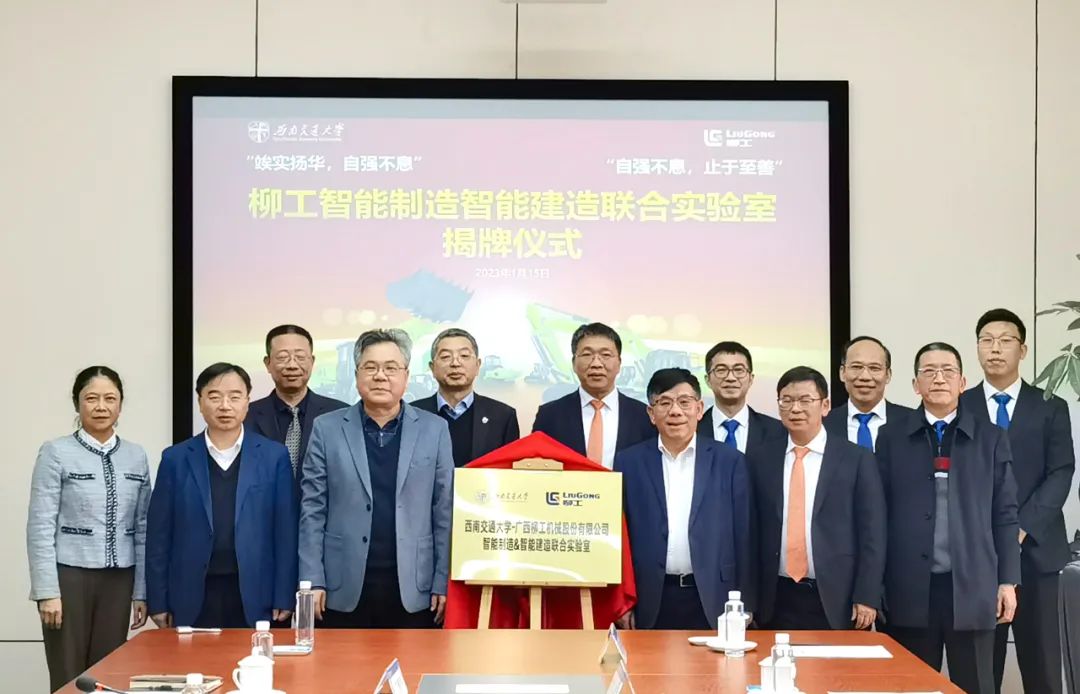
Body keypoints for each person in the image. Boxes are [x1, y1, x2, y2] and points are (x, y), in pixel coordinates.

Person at [877, 342, 1020, 694]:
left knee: (975, 685)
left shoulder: (990, 438)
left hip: (972, 587)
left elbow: (1005, 514)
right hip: (909, 589)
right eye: (929, 371)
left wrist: (1007, 581)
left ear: (963, 383)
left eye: (947, 371)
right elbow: (877, 515)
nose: (938, 378)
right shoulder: (891, 437)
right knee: (909, 687)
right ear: (915, 385)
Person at [299, 328, 453, 628]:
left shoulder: (434, 429)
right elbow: (312, 509)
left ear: (406, 376)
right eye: (370, 367)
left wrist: (442, 580)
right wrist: (312, 579)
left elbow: (444, 511)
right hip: (342, 583)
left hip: (415, 584)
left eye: (391, 368)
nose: (380, 376)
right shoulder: (326, 428)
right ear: (357, 374)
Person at [959, 309, 1074, 694]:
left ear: (1022, 350)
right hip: (977, 558)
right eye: (986, 340)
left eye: (1005, 340)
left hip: (1037, 555)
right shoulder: (960, 406)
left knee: (1042, 667)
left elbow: (1061, 472)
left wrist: (1021, 528)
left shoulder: (1050, 406)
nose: (995, 348)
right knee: (978, 671)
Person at [27, 366, 151, 692]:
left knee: (109, 674)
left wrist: (141, 591)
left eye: (110, 398)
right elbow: (40, 525)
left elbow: (142, 528)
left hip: (119, 579)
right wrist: (47, 591)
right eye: (91, 398)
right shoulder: (56, 451)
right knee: (68, 674)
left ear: (120, 405)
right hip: (69, 579)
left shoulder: (136, 456)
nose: (101, 406)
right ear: (77, 403)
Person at [146, 363, 298, 629]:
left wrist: (284, 593)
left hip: (256, 592)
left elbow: (285, 531)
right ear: (200, 402)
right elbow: (159, 535)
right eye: (214, 397)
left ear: (247, 402)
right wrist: (158, 600)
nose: (225, 406)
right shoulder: (175, 459)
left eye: (234, 396)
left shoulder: (274, 457)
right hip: (192, 592)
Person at [749, 366, 886, 632]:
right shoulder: (761, 458)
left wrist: (867, 595)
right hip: (775, 596)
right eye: (786, 400)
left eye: (805, 400)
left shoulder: (856, 459)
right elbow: (751, 532)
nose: (795, 409)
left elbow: (873, 533)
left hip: (836, 596)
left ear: (825, 406)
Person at [615, 368, 753, 629]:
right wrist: (622, 602)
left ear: (699, 409)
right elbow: (620, 536)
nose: (675, 411)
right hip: (650, 597)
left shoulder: (729, 461)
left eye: (684, 402)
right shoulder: (629, 462)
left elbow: (744, 536)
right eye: (664, 402)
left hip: (713, 597)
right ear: (651, 413)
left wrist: (745, 604)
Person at [532, 322, 654, 469]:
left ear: (619, 363)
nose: (596, 364)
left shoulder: (644, 416)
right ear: (574, 363)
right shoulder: (550, 415)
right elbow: (536, 468)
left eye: (606, 355)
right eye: (587, 354)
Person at [245, 324, 348, 483]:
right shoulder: (245, 416)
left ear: (312, 361)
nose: (292, 365)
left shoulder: (341, 414)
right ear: (267, 363)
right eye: (282, 357)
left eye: (300, 357)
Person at [411, 327, 520, 466]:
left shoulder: (503, 416)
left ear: (478, 366)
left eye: (464, 356)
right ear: (432, 368)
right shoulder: (410, 414)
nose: (455, 363)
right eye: (446, 357)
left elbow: (510, 473)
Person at [823, 335, 914, 451]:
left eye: (874, 368)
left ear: (888, 375)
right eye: (856, 367)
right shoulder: (824, 424)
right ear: (842, 373)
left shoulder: (913, 422)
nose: (865, 377)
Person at [698, 341, 785, 459]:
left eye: (739, 370)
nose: (730, 378)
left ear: (751, 379)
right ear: (707, 379)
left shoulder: (777, 431)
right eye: (721, 370)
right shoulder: (693, 430)